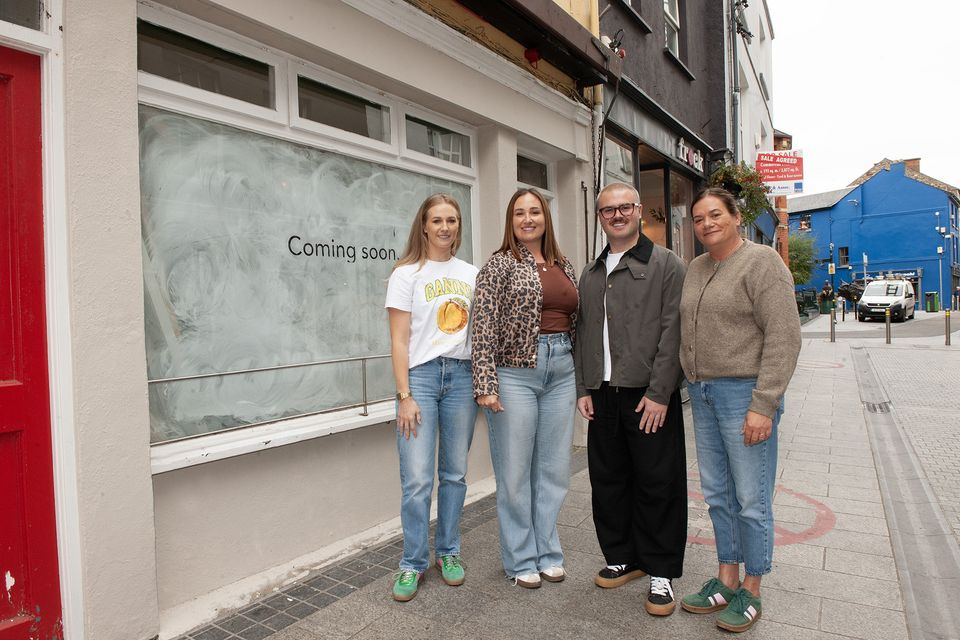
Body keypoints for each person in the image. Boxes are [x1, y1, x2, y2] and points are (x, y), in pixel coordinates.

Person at [678, 187, 801, 632]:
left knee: (751, 498)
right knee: (717, 494)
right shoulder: (696, 267)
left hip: (744, 395)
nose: (707, 224)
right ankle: (726, 575)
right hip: (705, 395)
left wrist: (763, 405)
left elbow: (785, 336)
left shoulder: (763, 262)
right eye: (698, 218)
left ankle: (752, 587)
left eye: (715, 215)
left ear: (735, 216)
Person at [574, 182, 688, 616]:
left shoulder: (666, 265)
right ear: (600, 218)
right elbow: (583, 334)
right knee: (609, 481)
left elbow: (672, 333)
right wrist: (585, 387)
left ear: (640, 211)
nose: (617, 215)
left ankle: (660, 572)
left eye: (625, 208)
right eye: (608, 211)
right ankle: (622, 556)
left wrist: (660, 392)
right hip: (602, 395)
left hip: (648, 395)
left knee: (658, 483)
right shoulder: (591, 272)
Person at [472, 188, 579, 588]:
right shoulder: (499, 265)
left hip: (562, 371)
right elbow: (480, 326)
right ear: (511, 220)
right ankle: (520, 560)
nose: (528, 219)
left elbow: (576, 321)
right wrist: (485, 384)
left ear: (546, 218)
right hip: (515, 373)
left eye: (535, 211)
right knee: (515, 472)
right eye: (520, 213)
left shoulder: (564, 265)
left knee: (553, 469)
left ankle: (548, 551)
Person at [384, 193, 479, 602]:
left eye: (452, 220)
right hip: (420, 379)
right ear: (423, 225)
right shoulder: (406, 274)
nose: (445, 227)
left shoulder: (472, 273)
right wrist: (404, 394)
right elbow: (399, 340)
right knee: (418, 480)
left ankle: (449, 552)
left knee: (454, 474)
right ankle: (413, 562)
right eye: (437, 220)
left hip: (462, 376)